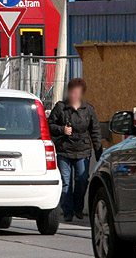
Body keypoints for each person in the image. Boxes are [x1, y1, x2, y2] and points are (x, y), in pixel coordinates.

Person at [49, 78, 102, 222]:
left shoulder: (88, 109)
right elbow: (49, 125)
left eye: (77, 92)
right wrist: (62, 129)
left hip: (83, 151)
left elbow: (95, 131)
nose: (74, 95)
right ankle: (67, 211)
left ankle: (78, 207)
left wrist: (99, 154)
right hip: (64, 150)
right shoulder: (61, 107)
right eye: (72, 92)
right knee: (65, 182)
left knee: (82, 180)